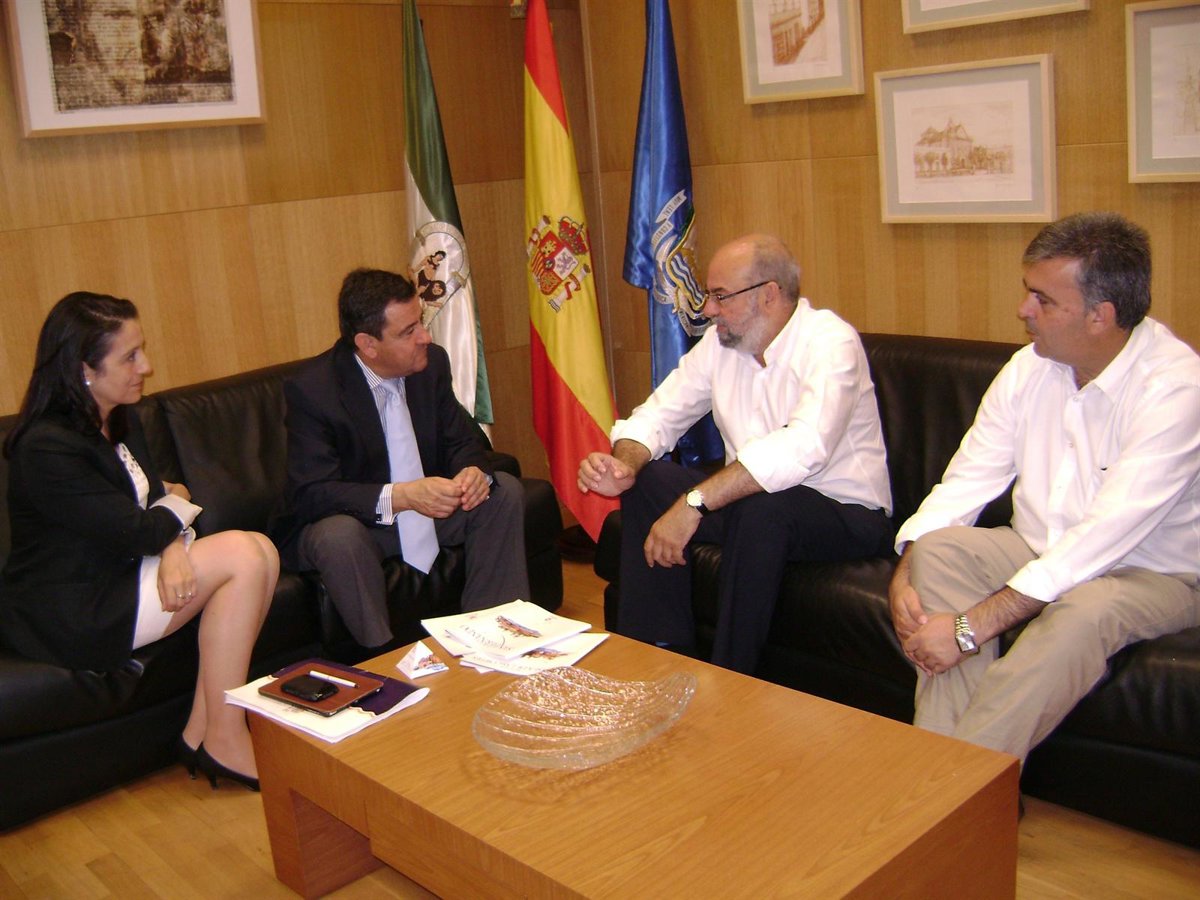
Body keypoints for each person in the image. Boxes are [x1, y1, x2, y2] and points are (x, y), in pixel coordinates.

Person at [889, 211, 1200, 764]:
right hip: (1037, 546)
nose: (1023, 310)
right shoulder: (1029, 367)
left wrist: (967, 630)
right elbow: (969, 478)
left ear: (1101, 315)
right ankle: (947, 769)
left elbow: (1105, 535)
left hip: (1149, 571)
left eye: (1043, 299)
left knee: (1083, 612)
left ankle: (954, 784)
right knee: (939, 550)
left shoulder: (1176, 388)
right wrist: (905, 569)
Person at [577, 234, 893, 674]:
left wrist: (694, 503)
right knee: (650, 480)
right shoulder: (721, 345)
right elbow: (660, 413)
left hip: (845, 512)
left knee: (762, 507)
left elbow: (804, 447)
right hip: (754, 509)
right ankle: (657, 657)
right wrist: (624, 464)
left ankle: (731, 676)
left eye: (720, 296)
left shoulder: (830, 342)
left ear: (768, 294)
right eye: (710, 295)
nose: (708, 309)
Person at [0, 292, 278, 790]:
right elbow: (150, 517)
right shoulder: (46, 447)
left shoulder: (119, 416)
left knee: (263, 549)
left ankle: (205, 732)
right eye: (129, 357)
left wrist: (171, 546)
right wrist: (171, 519)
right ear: (84, 369)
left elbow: (154, 503)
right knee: (243, 555)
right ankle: (225, 734)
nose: (145, 367)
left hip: (121, 569)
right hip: (77, 607)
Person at [278, 268, 527, 649]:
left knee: (501, 491)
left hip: (427, 515)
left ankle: (495, 638)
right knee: (338, 536)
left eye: (420, 322)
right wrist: (403, 496)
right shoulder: (314, 390)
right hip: (362, 525)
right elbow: (312, 493)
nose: (425, 337)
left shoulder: (431, 365)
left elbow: (462, 439)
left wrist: (472, 471)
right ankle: (382, 658)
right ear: (368, 344)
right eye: (408, 331)